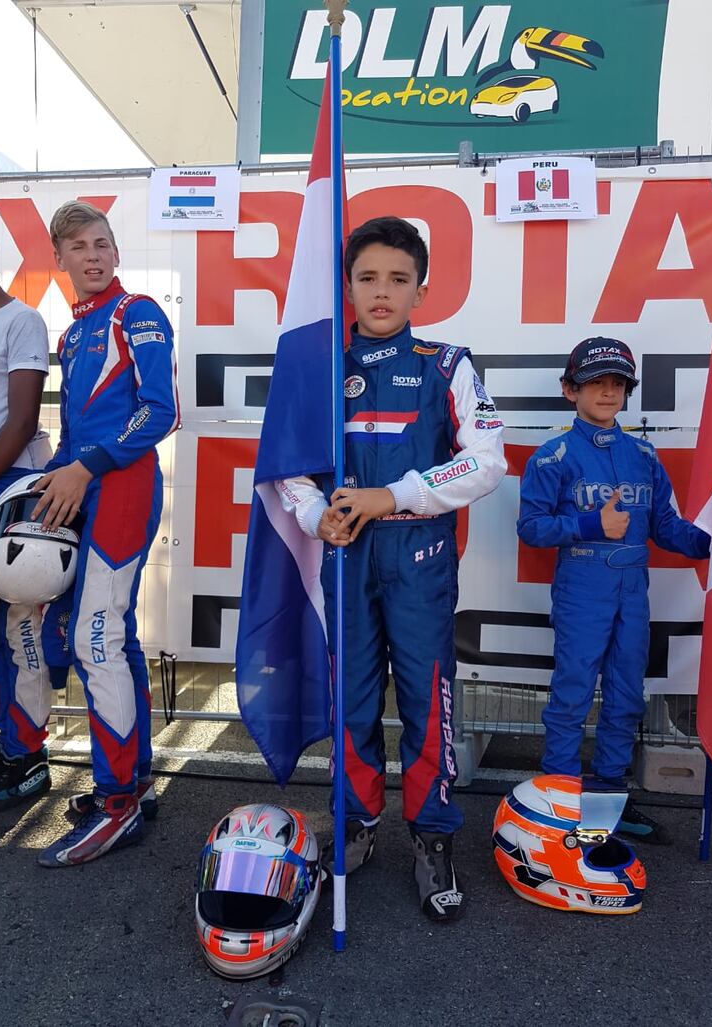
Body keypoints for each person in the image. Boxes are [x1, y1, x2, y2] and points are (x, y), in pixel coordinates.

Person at [277, 216, 507, 920]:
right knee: (351, 696)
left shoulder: (447, 363)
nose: (382, 292)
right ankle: (355, 821)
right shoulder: (320, 366)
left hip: (419, 558)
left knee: (425, 699)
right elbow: (289, 463)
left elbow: (486, 461)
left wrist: (393, 495)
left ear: (420, 289)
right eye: (368, 278)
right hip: (346, 555)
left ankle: (433, 834)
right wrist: (315, 510)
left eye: (398, 279)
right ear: (346, 286)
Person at [517, 337, 711, 844]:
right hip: (582, 591)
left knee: (627, 698)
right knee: (572, 696)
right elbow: (531, 527)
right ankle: (558, 805)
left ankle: (608, 805)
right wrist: (588, 524)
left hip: (633, 595)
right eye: (595, 383)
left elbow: (667, 526)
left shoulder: (644, 455)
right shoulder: (552, 456)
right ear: (569, 390)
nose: (607, 392)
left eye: (616, 384)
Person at [32, 201, 179, 868]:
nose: (92, 256)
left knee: (96, 634)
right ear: (59, 260)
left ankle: (119, 799)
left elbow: (162, 410)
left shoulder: (136, 312)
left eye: (101, 244)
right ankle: (135, 782)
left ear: (116, 254)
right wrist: (56, 477)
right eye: (78, 247)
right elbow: (73, 431)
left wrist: (88, 466)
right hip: (82, 486)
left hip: (123, 485)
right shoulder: (73, 331)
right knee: (106, 635)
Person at [0, 203, 54, 817]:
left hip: (9, 482)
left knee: (17, 623)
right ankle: (9, 748)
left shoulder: (21, 321)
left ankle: (27, 759)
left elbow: (22, 421)